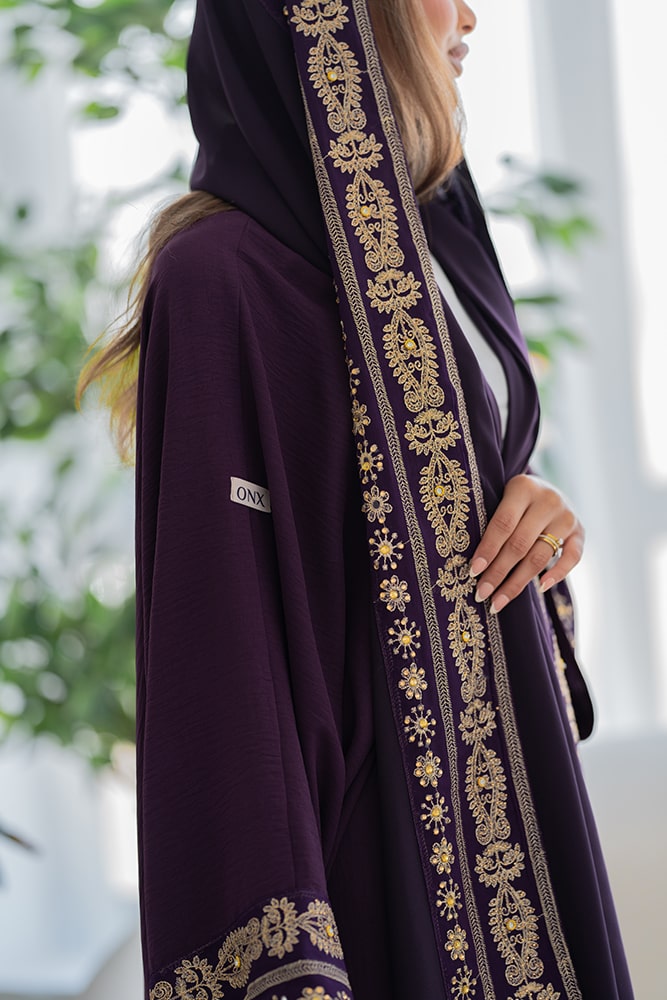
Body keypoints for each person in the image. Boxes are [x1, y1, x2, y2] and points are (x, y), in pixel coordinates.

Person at [78, 1, 634, 998]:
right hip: (378, 871)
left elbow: (466, 515)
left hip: (522, 832)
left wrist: (538, 511)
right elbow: (224, 665)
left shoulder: (437, 244)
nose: (470, 16)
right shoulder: (221, 279)